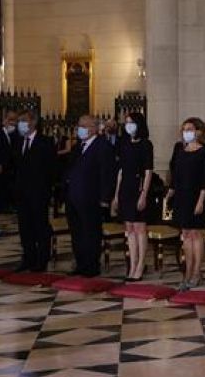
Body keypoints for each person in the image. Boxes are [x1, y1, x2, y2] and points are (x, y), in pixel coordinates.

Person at [64, 115, 115, 277]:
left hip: (92, 198)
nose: (80, 129)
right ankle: (80, 264)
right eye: (79, 125)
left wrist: (105, 198)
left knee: (91, 233)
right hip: (74, 198)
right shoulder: (78, 146)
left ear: (94, 128)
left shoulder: (103, 146)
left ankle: (91, 266)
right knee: (77, 233)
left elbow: (107, 173)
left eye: (84, 126)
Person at [167, 117, 205, 290]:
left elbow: (204, 181)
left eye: (190, 128)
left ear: (199, 132)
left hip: (196, 197)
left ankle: (196, 272)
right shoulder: (179, 149)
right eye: (184, 129)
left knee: (196, 234)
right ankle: (187, 272)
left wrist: (200, 202)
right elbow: (174, 174)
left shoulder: (204, 153)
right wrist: (170, 193)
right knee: (185, 234)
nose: (186, 132)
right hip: (181, 197)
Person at [112, 112, 154, 281]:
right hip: (125, 188)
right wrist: (116, 194)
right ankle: (133, 263)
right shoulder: (124, 143)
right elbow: (120, 170)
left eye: (132, 122)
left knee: (139, 228)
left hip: (138, 187)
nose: (128, 125)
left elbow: (148, 171)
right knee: (129, 228)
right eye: (126, 122)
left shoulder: (146, 144)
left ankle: (140, 265)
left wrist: (144, 194)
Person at [13, 111, 55, 272]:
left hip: (39, 193)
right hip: (21, 193)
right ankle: (28, 258)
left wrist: (47, 190)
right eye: (20, 121)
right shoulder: (18, 142)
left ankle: (42, 259)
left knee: (40, 227)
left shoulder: (45, 142)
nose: (20, 124)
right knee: (25, 228)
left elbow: (50, 168)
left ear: (33, 122)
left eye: (23, 120)